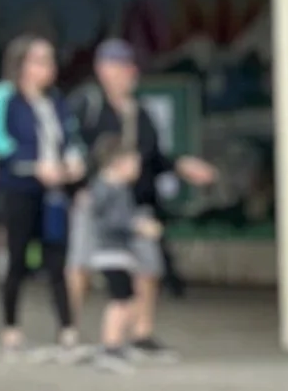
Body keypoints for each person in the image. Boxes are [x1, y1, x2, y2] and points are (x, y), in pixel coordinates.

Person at [74, 37, 217, 361]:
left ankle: (141, 333)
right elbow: (75, 150)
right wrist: (78, 189)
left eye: (128, 66)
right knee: (80, 265)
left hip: (137, 203)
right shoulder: (88, 108)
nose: (126, 73)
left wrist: (182, 166)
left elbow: (154, 157)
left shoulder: (141, 113)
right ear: (102, 70)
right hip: (98, 201)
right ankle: (72, 330)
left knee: (148, 268)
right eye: (118, 66)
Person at [0, 35, 82, 359]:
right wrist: (32, 165)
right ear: (22, 65)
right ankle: (11, 327)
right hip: (19, 188)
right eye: (40, 60)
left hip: (54, 191)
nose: (48, 68)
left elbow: (70, 136)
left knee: (57, 259)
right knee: (17, 258)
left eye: (50, 60)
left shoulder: (55, 100)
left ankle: (67, 328)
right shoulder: (4, 97)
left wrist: (72, 159)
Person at [74, 133, 150, 373]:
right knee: (120, 300)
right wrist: (136, 226)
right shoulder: (108, 188)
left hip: (120, 253)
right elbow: (110, 221)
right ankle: (110, 345)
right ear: (118, 162)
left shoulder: (115, 188)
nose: (138, 169)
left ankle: (116, 343)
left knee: (127, 298)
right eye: (134, 163)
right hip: (111, 253)